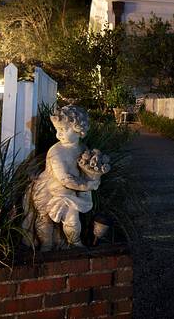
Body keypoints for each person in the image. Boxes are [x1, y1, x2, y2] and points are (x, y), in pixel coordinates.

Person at [22, 105, 110, 251]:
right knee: (45, 220)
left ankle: (74, 243)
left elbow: (85, 171)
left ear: (79, 130)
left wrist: (93, 178)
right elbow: (65, 179)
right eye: (57, 130)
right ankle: (46, 244)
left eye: (63, 129)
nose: (59, 134)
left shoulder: (83, 149)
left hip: (69, 193)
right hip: (48, 191)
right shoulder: (56, 151)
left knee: (72, 218)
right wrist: (87, 186)